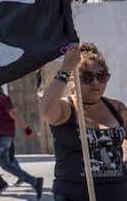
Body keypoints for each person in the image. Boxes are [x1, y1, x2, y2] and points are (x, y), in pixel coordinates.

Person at [39, 42, 127, 200]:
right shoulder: (65, 108)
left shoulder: (117, 107)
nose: (95, 82)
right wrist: (65, 69)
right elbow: (45, 110)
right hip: (73, 195)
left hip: (118, 193)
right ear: (73, 80)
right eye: (86, 77)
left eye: (101, 75)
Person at [0, 87, 43, 201]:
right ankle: (35, 181)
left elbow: (14, 116)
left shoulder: (4, 99)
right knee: (5, 164)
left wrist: (28, 132)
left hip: (1, 135)